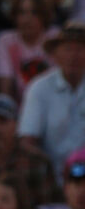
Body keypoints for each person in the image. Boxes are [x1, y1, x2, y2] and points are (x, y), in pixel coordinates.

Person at [18, 19, 85, 171]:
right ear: (56, 54)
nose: (74, 55)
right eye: (68, 49)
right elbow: (27, 141)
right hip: (49, 177)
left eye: (80, 49)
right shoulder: (39, 88)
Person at [0, 0, 55, 100]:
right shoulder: (5, 41)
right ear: (14, 16)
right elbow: (5, 88)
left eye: (34, 13)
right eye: (22, 12)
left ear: (44, 15)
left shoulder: (55, 38)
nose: (27, 19)